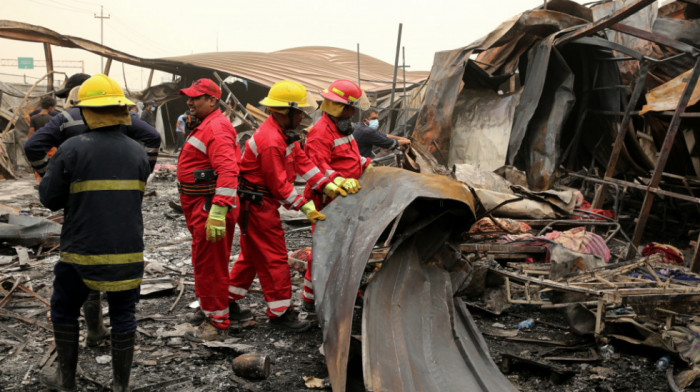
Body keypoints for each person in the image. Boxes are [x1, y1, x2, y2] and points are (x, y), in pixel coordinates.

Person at [24, 75, 160, 348]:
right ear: (121, 108)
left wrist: (50, 175)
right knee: (124, 311)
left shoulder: (69, 142)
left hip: (81, 242)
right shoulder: (136, 152)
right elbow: (152, 138)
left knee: (67, 305)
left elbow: (50, 198)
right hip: (127, 247)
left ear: (83, 106)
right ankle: (121, 385)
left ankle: (68, 379)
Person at [228, 80, 347, 332]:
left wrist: (328, 185)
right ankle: (281, 314)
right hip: (257, 205)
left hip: (256, 204)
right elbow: (278, 185)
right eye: (300, 112)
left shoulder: (283, 134)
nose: (304, 116)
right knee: (274, 259)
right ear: (287, 111)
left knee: (251, 256)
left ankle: (227, 299)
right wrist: (305, 207)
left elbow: (304, 163)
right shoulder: (271, 140)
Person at [176, 78, 241, 341]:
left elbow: (228, 170)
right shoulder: (207, 125)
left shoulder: (217, 128)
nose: (189, 102)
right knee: (204, 260)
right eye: (189, 97)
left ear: (213, 100)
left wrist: (218, 209)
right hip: (200, 205)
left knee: (211, 264)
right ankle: (209, 308)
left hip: (209, 206)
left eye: (196, 98)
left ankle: (218, 321)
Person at [302, 79, 371, 309]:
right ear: (339, 107)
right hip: (328, 200)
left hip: (346, 198)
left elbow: (350, 157)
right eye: (350, 108)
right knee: (324, 248)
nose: (352, 112)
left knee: (348, 247)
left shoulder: (342, 127)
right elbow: (317, 167)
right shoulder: (320, 132)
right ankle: (311, 300)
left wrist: (367, 166)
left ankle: (349, 290)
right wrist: (339, 180)